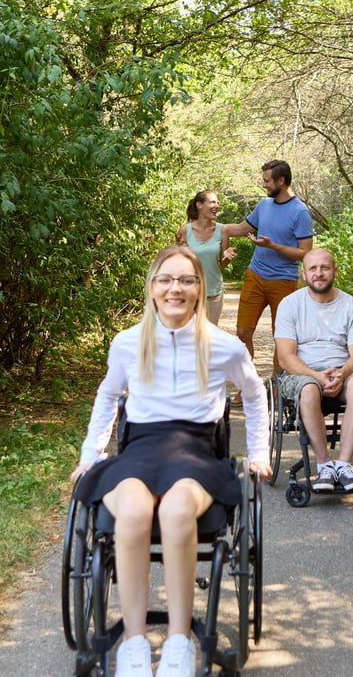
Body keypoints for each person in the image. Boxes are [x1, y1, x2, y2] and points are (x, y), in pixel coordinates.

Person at [69, 246, 272, 677]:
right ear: (152, 287)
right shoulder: (127, 342)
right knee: (134, 511)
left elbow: (255, 396)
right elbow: (108, 397)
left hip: (197, 450)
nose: (174, 288)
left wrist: (258, 454)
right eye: (165, 279)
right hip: (140, 448)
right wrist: (92, 454)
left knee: (179, 512)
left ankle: (180, 641)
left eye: (186, 280)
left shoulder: (224, 346)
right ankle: (134, 645)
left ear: (200, 289)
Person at [273, 248, 353, 493]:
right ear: (304, 274)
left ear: (335, 271)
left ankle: (345, 466)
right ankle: (324, 465)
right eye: (313, 269)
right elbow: (285, 357)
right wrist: (316, 376)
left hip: (342, 372)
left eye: (325, 268)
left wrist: (342, 373)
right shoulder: (290, 305)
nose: (319, 273)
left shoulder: (352, 306)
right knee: (308, 390)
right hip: (302, 373)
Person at [224, 160, 314, 377]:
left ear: (281, 181)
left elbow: (305, 253)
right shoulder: (264, 205)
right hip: (255, 275)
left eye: (267, 180)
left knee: (281, 337)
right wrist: (208, 227)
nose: (263, 185)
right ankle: (247, 381)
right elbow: (242, 228)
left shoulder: (300, 212)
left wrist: (272, 245)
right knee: (243, 332)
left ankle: (278, 383)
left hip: (283, 280)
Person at [175, 190, 236, 324]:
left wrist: (227, 257)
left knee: (209, 337)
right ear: (199, 205)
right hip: (190, 292)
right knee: (189, 335)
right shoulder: (185, 230)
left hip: (214, 292)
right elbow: (177, 265)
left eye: (217, 202)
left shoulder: (223, 230)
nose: (217, 205)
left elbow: (223, 264)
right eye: (213, 202)